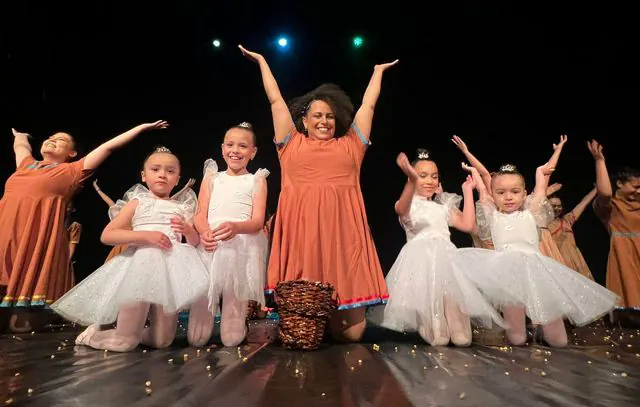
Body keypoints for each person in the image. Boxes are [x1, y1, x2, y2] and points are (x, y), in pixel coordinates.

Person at [239, 44, 395, 342]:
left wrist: (377, 74)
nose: (324, 121)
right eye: (317, 116)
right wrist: (261, 62)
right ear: (305, 121)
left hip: (343, 233)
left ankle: (328, 316)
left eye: (330, 117)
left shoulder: (352, 145)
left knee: (352, 335)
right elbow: (275, 100)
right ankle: (306, 317)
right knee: (305, 328)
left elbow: (369, 107)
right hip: (303, 232)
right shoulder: (290, 142)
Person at [0, 121, 168, 333]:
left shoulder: (72, 170)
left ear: (71, 153)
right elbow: (21, 146)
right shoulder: (25, 165)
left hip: (34, 236)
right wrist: (20, 136)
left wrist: (141, 128)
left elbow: (108, 147)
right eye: (50, 137)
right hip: (5, 229)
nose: (52, 140)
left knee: (19, 324)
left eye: (60, 140)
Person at [51, 147, 209, 351]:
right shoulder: (138, 202)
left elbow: (194, 242)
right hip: (139, 269)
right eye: (156, 169)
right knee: (125, 343)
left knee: (162, 341)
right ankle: (93, 337)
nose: (162, 174)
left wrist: (188, 230)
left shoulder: (182, 208)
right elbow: (108, 235)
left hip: (170, 271)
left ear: (178, 179)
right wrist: (145, 236)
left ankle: (132, 333)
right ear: (144, 176)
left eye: (170, 171)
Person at [460, 162, 618, 347]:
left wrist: (539, 173)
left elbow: (541, 189)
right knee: (516, 340)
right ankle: (522, 329)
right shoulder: (492, 215)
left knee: (559, 342)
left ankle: (542, 330)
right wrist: (475, 178)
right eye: (501, 193)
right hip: (508, 273)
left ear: (525, 194)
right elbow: (483, 194)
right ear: (493, 195)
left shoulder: (532, 213)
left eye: (515, 191)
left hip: (536, 269)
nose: (508, 197)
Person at [370, 150, 504, 346]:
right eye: (422, 176)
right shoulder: (409, 205)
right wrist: (411, 179)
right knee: (439, 338)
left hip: (446, 259)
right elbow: (401, 209)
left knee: (463, 339)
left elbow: (468, 225)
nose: (429, 181)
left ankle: (455, 323)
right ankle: (434, 324)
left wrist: (468, 191)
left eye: (434, 176)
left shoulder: (441, 207)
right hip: (421, 260)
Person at [193, 122, 269, 347]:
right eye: (231, 144)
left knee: (231, 340)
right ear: (222, 148)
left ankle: (236, 322)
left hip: (240, 246)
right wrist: (205, 232)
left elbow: (257, 221)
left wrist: (236, 227)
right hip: (211, 243)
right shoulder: (212, 178)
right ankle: (202, 321)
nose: (235, 150)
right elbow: (199, 214)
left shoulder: (256, 180)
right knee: (196, 340)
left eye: (243, 146)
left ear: (253, 152)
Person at [589, 140, 640, 308]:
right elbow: (604, 192)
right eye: (636, 186)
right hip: (625, 253)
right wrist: (599, 161)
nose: (639, 191)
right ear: (619, 183)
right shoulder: (611, 207)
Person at [547, 186, 598, 280]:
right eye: (553, 206)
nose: (557, 208)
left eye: (559, 206)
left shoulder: (567, 220)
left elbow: (584, 202)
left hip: (577, 261)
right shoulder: (544, 226)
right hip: (560, 261)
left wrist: (596, 189)